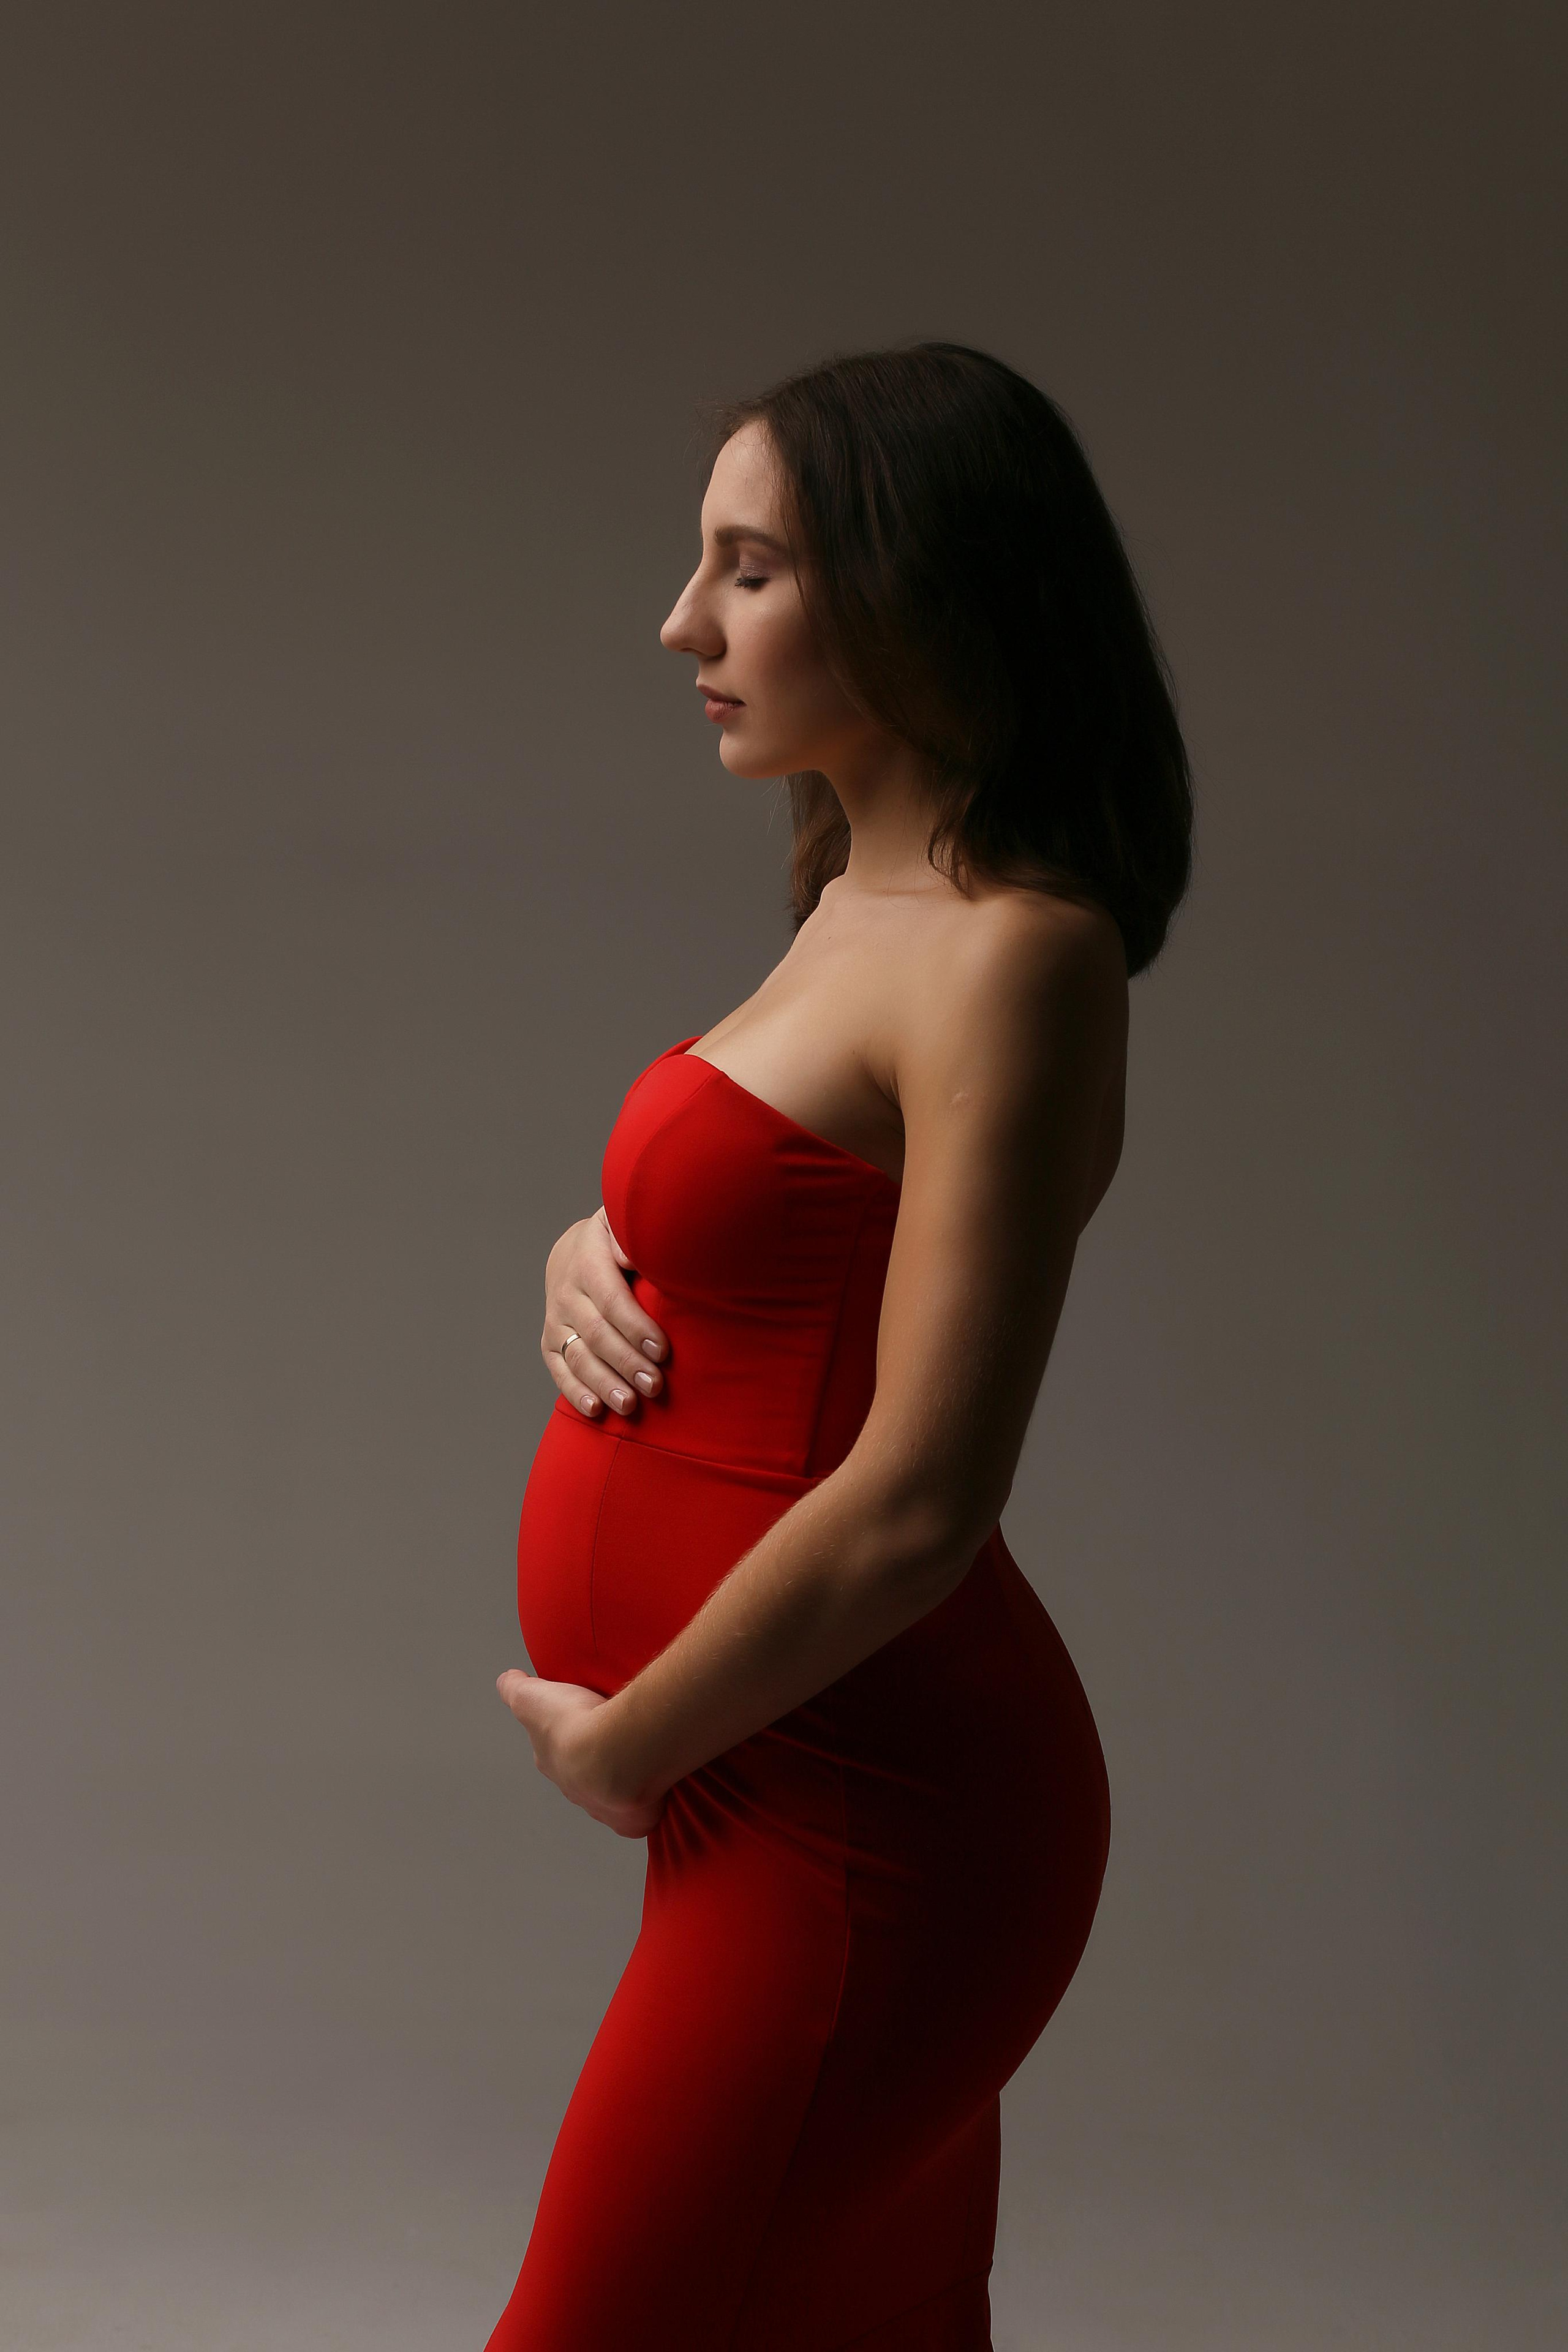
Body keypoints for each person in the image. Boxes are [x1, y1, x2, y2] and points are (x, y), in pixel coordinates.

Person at [483, 341, 1193, 2350]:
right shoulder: (848, 895)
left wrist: (634, 1744)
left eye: (751, 568)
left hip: (864, 1808)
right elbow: (783, 1231)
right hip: (767, 1777)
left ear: (921, 589)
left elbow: (920, 1498)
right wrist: (587, 1250)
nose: (682, 623)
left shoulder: (1019, 953)